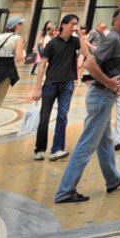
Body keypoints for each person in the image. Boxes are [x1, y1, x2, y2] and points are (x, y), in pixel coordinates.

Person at [54, 7, 120, 204]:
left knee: (105, 140)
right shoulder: (113, 39)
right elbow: (89, 63)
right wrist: (109, 82)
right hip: (101, 96)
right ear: (115, 21)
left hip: (104, 95)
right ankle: (65, 190)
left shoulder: (118, 39)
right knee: (87, 143)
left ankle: (112, 178)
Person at [33, 14, 81, 160]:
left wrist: (81, 35)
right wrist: (38, 87)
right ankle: (39, 149)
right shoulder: (52, 43)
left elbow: (85, 52)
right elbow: (42, 66)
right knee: (44, 117)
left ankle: (57, 149)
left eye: (76, 24)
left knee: (62, 115)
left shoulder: (75, 41)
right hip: (51, 83)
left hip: (67, 83)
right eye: (73, 24)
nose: (75, 27)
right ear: (64, 25)